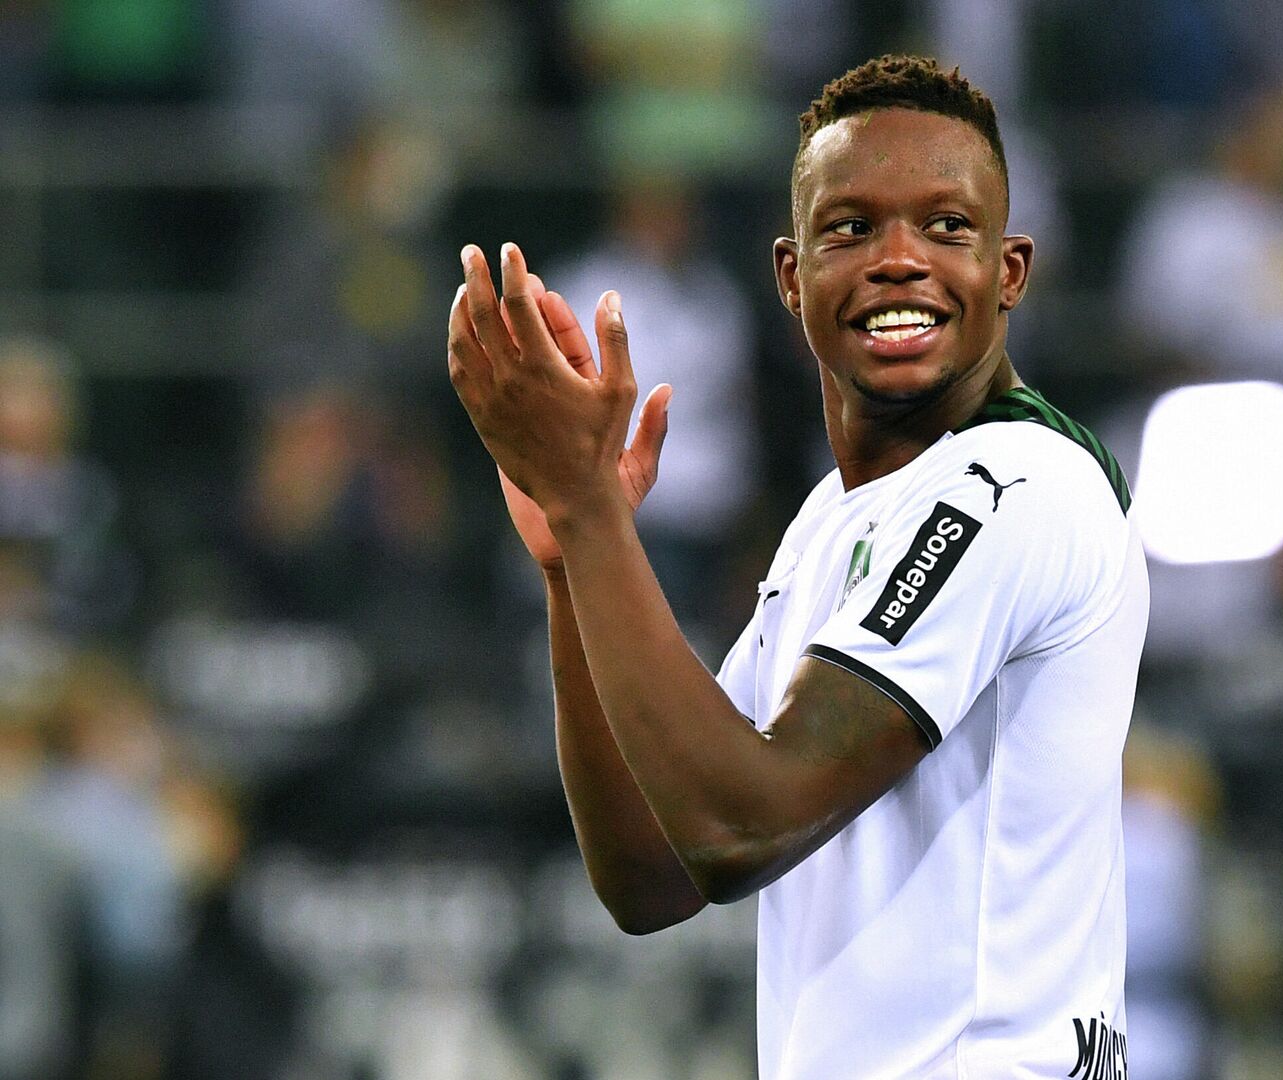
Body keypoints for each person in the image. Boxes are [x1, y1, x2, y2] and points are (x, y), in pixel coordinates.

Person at [446, 55, 1149, 1078]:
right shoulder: (836, 518)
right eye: (852, 227)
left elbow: (738, 825)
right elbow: (653, 870)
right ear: (791, 276)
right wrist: (572, 557)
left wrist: (593, 510)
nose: (900, 259)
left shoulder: (1012, 484)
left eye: (948, 227)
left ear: (1010, 272)